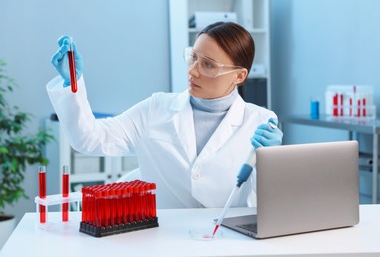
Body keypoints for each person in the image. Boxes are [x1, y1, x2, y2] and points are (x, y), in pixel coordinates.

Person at [47, 22, 283, 209]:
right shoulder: (156, 108)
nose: (193, 71)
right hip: (163, 238)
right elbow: (90, 138)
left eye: (208, 65)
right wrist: (72, 84)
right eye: (193, 57)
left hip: (228, 239)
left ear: (239, 76)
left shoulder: (261, 121)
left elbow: (266, 201)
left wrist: (273, 161)